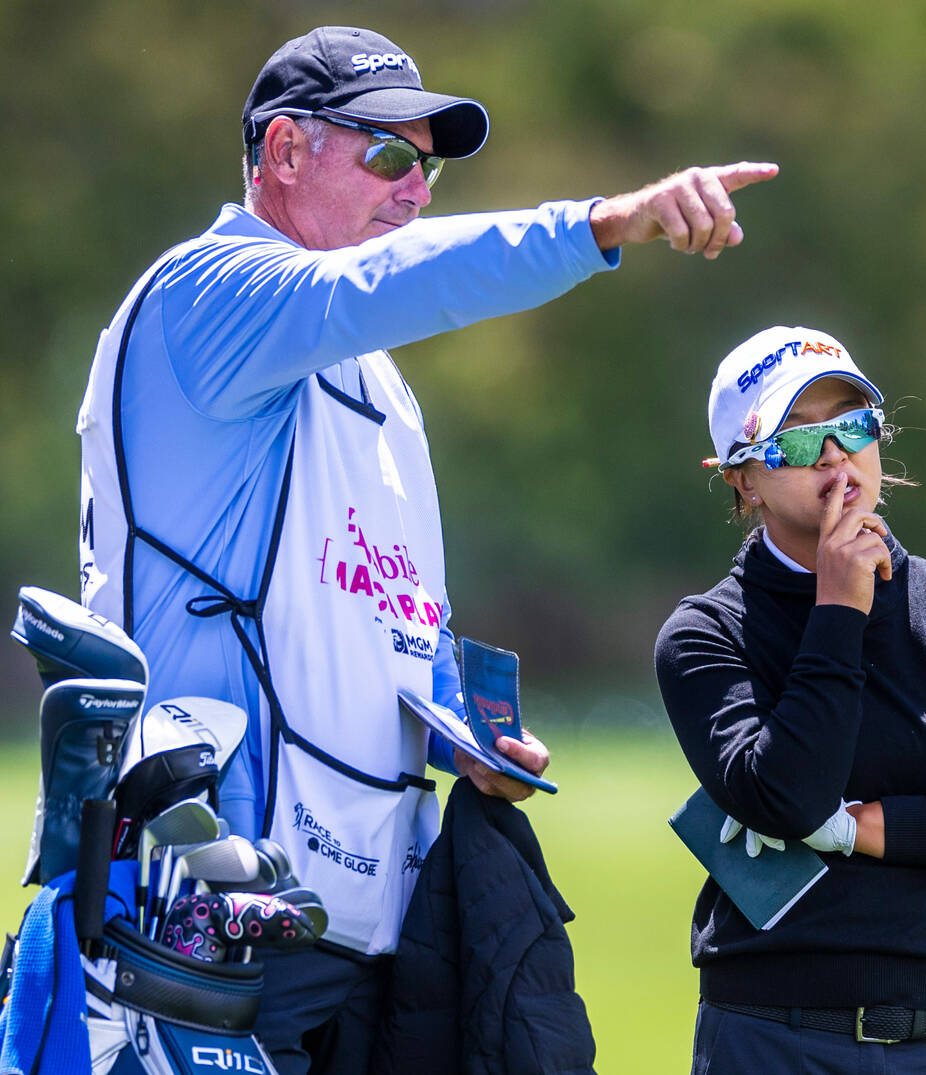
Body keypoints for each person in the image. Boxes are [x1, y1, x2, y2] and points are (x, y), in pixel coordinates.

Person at [75, 24, 777, 1074]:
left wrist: (468, 739)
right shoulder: (206, 292)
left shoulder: (378, 382)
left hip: (365, 931)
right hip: (204, 918)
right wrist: (601, 224)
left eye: (430, 166)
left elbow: (383, 622)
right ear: (283, 153)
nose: (417, 189)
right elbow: (386, 282)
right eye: (390, 155)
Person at [654, 325, 926, 1073]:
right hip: (770, 1036)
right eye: (796, 438)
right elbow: (784, 795)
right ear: (743, 478)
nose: (834, 454)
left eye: (852, 424)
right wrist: (839, 609)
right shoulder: (705, 632)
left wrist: (858, 829)